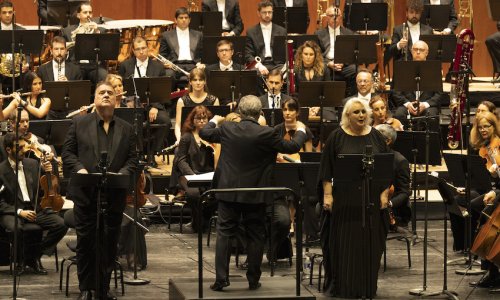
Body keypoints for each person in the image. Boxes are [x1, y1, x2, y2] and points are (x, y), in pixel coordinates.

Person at [199, 95, 307, 291]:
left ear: (240, 112)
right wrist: (300, 129)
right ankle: (253, 280)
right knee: (255, 235)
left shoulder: (227, 128)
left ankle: (221, 279)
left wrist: (216, 118)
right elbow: (293, 146)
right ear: (259, 113)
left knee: (224, 233)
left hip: (229, 191)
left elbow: (205, 132)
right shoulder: (268, 133)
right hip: (256, 193)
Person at [62, 82, 137, 300]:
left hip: (114, 194)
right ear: (94, 98)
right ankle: (86, 288)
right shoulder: (78, 123)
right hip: (86, 193)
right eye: (101, 93)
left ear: (116, 99)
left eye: (110, 93)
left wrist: (123, 173)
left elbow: (133, 159)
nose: (106, 95)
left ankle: (103, 289)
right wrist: (81, 170)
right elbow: (68, 154)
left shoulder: (127, 128)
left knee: (109, 241)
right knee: (86, 241)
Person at [319, 97, 390, 298]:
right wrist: (328, 195)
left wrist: (384, 194)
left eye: (363, 112)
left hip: (370, 200)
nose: (361, 115)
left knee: (369, 247)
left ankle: (366, 288)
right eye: (356, 112)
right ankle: (345, 288)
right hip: (344, 202)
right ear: (347, 116)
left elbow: (386, 169)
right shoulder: (336, 137)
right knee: (345, 246)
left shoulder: (376, 136)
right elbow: (326, 170)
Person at [0, 132, 67, 275]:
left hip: (35, 209)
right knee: (14, 229)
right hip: (13, 211)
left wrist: (49, 170)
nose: (24, 151)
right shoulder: (1, 170)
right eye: (20, 148)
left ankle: (34, 255)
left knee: (61, 224)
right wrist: (19, 212)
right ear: (8, 150)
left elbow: (50, 185)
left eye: (25, 147)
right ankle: (20, 260)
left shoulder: (33, 164)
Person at [118, 36, 172, 160]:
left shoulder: (158, 66)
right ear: (133, 50)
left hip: (152, 105)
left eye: (143, 48)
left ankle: (152, 153)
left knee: (166, 122)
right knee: (132, 123)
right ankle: (138, 154)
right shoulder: (125, 65)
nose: (141, 51)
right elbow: (120, 87)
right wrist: (128, 102)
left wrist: (155, 107)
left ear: (148, 48)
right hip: (132, 106)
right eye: (138, 49)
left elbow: (161, 92)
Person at [467, 111, 500, 290]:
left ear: (494, 127)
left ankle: (493, 268)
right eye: (480, 127)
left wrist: (495, 189)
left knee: (487, 214)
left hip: (498, 191)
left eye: (487, 126)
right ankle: (487, 263)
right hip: (495, 189)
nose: (483, 130)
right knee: (474, 206)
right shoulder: (482, 147)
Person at [274, 98, 315, 241]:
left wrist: (296, 160)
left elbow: (308, 156)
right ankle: (286, 221)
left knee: (295, 190)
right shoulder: (277, 129)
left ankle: (290, 221)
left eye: (291, 110)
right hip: (280, 169)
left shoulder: (305, 130)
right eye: (285, 110)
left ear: (297, 112)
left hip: (298, 169)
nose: (287, 113)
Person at [171, 105, 216, 233]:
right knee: (193, 194)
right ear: (193, 120)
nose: (201, 121)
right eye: (198, 119)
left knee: (217, 193)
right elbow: (181, 160)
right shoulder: (187, 137)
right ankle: (198, 222)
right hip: (188, 175)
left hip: (207, 174)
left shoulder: (212, 137)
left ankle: (204, 220)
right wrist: (192, 176)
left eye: (204, 119)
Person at [392, 40, 442, 129]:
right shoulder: (402, 68)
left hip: (427, 105)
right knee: (399, 115)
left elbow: (439, 94)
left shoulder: (434, 68)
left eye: (421, 50)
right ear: (411, 51)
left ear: (427, 53)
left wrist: (425, 104)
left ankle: (431, 142)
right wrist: (407, 104)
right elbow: (396, 92)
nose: (418, 52)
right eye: (415, 49)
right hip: (408, 104)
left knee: (432, 117)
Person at [61, 2, 108, 86]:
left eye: (90, 12)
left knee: (104, 75)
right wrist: (75, 39)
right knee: (72, 75)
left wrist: (97, 31)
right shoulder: (68, 31)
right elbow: (63, 48)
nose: (88, 15)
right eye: (85, 12)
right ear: (78, 15)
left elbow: (104, 47)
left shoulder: (100, 30)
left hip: (94, 65)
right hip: (76, 65)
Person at [314, 6, 356, 96]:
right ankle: (328, 100)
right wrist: (328, 63)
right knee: (322, 70)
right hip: (327, 64)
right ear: (327, 17)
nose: (335, 18)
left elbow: (352, 53)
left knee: (355, 70)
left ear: (341, 17)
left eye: (337, 15)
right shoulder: (319, 34)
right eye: (332, 15)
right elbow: (317, 54)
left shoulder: (348, 33)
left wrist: (343, 62)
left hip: (344, 65)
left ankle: (351, 99)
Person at [375, 124, 411, 228]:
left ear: (387, 141)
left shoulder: (400, 161)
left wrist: (389, 203)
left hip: (394, 212)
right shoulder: (371, 157)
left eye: (375, 137)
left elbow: (404, 192)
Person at [175, 68, 219, 143]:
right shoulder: (181, 101)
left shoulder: (214, 100)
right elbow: (178, 125)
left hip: (208, 139)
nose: (198, 83)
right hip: (189, 139)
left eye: (200, 80)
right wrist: (179, 139)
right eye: (195, 80)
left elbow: (217, 124)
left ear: (205, 81)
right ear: (190, 82)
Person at [159, 7, 204, 80]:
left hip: (193, 65)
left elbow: (203, 53)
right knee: (168, 74)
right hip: (174, 66)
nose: (184, 20)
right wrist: (165, 64)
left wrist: (202, 64)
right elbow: (162, 55)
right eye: (181, 18)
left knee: (204, 71)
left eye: (186, 18)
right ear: (175, 20)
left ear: (189, 20)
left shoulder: (198, 35)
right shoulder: (166, 35)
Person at [245, 1, 287, 78]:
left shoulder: (282, 31)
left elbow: (285, 53)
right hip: (260, 63)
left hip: (277, 65)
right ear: (258, 13)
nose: (267, 15)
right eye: (264, 12)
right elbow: (248, 54)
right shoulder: (251, 32)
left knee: (285, 73)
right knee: (254, 74)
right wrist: (259, 65)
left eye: (269, 12)